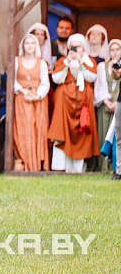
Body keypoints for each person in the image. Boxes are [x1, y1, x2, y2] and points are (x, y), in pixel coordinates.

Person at [48, 33, 99, 173]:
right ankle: (60, 166)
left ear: (83, 48)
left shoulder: (89, 61)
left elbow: (91, 76)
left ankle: (78, 168)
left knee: (82, 133)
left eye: (79, 47)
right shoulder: (63, 60)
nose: (76, 49)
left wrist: (81, 62)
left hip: (83, 101)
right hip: (64, 101)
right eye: (73, 47)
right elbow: (57, 78)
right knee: (62, 131)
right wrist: (67, 63)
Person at [12, 34, 50, 171]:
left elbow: (45, 83)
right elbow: (13, 80)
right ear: (23, 45)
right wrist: (23, 91)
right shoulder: (17, 61)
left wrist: (37, 95)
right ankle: (24, 161)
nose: (29, 46)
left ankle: (37, 165)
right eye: (27, 43)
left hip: (38, 101)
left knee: (38, 130)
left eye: (32, 43)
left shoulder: (42, 63)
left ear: (36, 46)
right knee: (23, 130)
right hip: (22, 99)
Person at [94, 39, 121, 173]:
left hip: (119, 103)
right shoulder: (102, 67)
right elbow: (99, 86)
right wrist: (107, 101)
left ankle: (117, 167)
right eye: (112, 49)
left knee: (118, 136)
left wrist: (117, 102)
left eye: (117, 49)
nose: (115, 52)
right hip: (106, 104)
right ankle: (104, 167)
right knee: (104, 134)